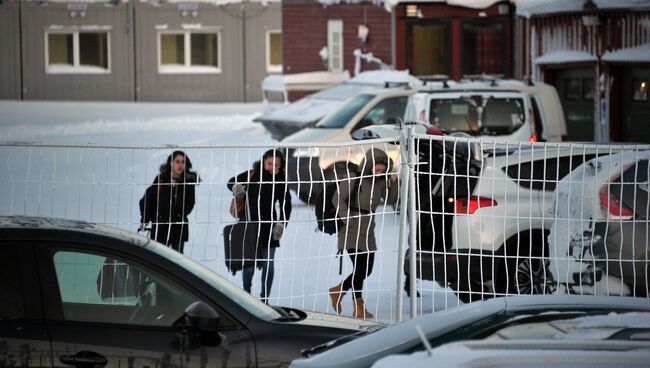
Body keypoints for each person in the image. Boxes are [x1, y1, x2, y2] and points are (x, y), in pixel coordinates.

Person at [328, 148, 398, 319]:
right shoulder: (353, 178)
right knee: (360, 268)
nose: (379, 172)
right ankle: (359, 308)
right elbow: (337, 199)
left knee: (367, 269)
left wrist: (392, 182)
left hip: (368, 227)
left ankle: (338, 290)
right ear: (369, 165)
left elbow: (391, 200)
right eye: (377, 168)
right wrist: (348, 219)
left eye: (382, 169)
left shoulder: (381, 181)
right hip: (351, 227)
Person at [227, 149, 292, 302]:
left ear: (281, 165)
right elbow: (230, 181)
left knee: (268, 266)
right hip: (248, 226)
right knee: (248, 266)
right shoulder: (252, 174)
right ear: (263, 161)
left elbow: (286, 205)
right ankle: (246, 295)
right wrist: (237, 188)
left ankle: (264, 299)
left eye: (276, 164)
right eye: (270, 163)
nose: (273, 167)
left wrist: (281, 224)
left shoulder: (281, 179)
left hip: (269, 228)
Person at [139, 151, 199, 254]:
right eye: (177, 161)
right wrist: (145, 219)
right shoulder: (161, 179)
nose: (180, 165)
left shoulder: (188, 181)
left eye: (183, 162)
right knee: (158, 259)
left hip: (178, 227)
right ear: (171, 163)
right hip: (160, 226)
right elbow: (149, 200)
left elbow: (190, 202)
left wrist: (179, 214)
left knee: (177, 261)